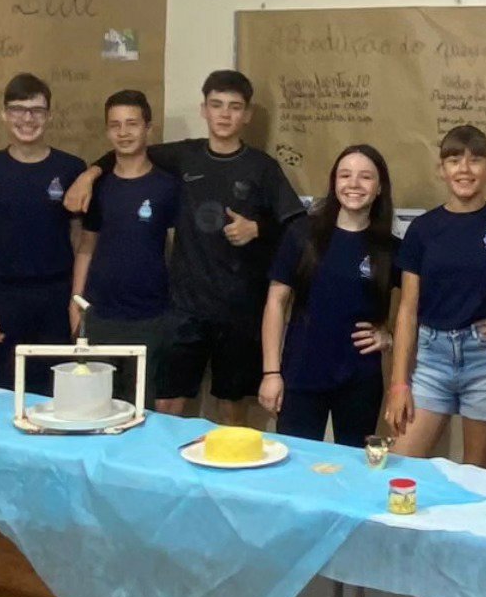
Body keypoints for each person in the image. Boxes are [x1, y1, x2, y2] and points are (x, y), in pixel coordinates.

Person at [64, 71, 303, 423]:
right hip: (183, 309)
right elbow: (126, 150)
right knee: (166, 406)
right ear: (204, 109)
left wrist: (258, 228)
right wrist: (89, 174)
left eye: (234, 107)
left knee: (232, 407)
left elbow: (297, 224)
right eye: (216, 105)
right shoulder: (183, 156)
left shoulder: (262, 167)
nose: (224, 114)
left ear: (247, 114)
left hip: (240, 308)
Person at [384, 125, 486, 466]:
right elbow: (408, 309)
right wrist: (399, 384)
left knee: (476, 475)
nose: (465, 169)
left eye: (475, 160)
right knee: (398, 464)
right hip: (431, 359)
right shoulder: (423, 229)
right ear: (441, 169)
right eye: (454, 160)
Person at [259, 145, 395, 447]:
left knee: (355, 462)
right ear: (334, 182)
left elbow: (416, 307)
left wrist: (390, 337)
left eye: (365, 177)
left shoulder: (389, 248)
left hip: (360, 377)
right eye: (345, 175)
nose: (354, 184)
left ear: (379, 187)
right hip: (301, 372)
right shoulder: (302, 233)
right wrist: (271, 372)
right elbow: (275, 303)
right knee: (296, 459)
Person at [0, 73, 85, 395]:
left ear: (49, 116)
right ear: (4, 114)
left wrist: (76, 301)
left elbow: (79, 240)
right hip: (3, 297)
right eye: (18, 110)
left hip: (56, 298)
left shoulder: (71, 168)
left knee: (56, 395)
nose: (27, 119)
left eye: (37, 111)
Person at [71, 90, 181, 411]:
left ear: (148, 128)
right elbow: (86, 247)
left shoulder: (167, 186)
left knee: (140, 410)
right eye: (115, 125)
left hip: (150, 317)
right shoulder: (99, 187)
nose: (123, 132)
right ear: (107, 131)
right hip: (100, 315)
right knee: (95, 408)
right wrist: (76, 301)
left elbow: (177, 249)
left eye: (132, 124)